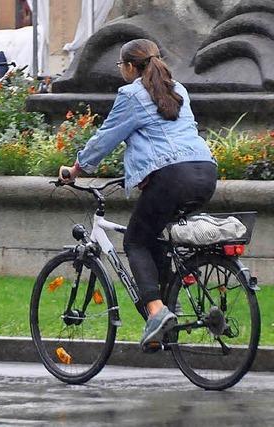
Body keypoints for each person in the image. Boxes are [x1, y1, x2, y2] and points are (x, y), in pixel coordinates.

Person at [58, 39, 217, 349]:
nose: (121, 71)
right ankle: (171, 309)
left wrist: (76, 170)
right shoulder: (178, 90)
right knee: (156, 236)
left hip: (172, 177)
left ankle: (157, 312)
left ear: (130, 67)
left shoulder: (131, 95)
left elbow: (105, 139)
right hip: (205, 173)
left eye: (121, 66)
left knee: (135, 240)